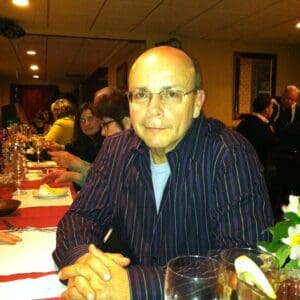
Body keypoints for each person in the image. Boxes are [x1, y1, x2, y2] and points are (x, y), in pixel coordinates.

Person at [54, 46, 274, 299]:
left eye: (171, 94)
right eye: (141, 95)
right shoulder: (116, 149)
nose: (153, 109)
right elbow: (81, 216)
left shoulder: (230, 153)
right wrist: (85, 263)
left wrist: (132, 286)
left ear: (197, 102)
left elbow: (242, 266)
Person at [43, 90, 130, 186]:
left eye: (90, 118)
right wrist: (70, 174)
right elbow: (102, 180)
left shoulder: (125, 150)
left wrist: (76, 165)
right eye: (82, 120)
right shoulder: (88, 140)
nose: (86, 124)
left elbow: (108, 185)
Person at [236, 95, 277, 167]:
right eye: (272, 107)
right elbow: (272, 147)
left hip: (241, 163)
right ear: (266, 110)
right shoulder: (264, 127)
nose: (272, 110)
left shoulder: (242, 123)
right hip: (258, 165)